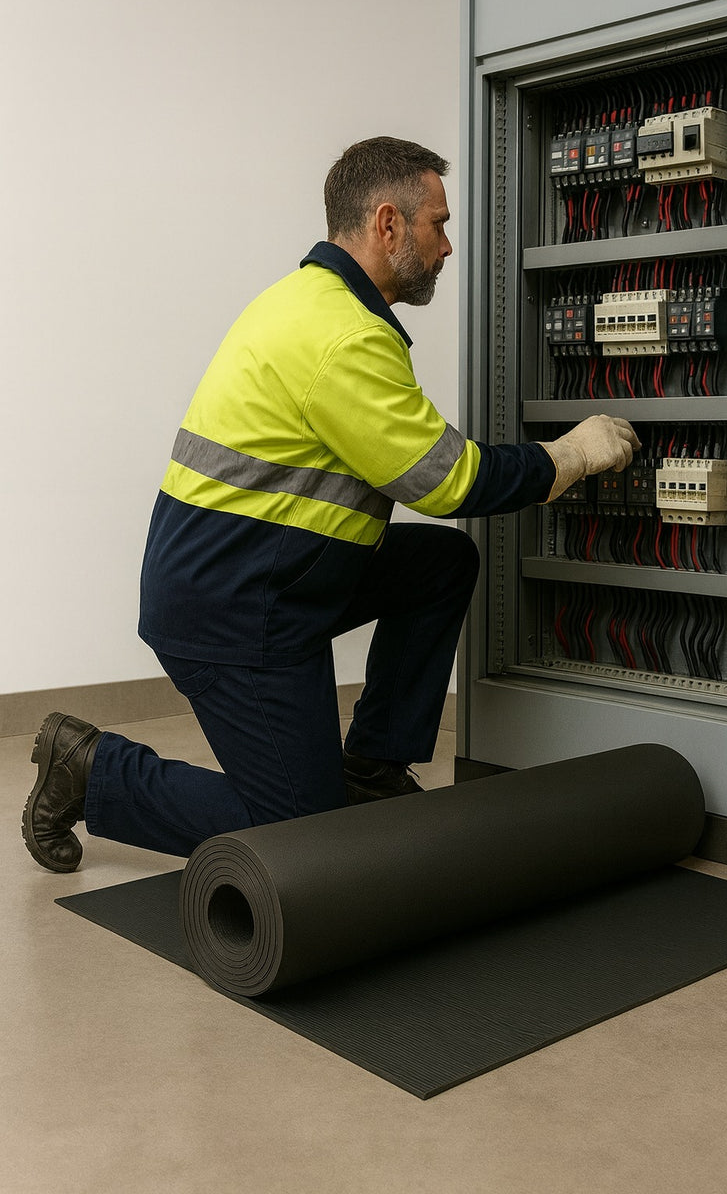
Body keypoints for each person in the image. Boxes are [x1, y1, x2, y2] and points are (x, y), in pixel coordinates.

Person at [22, 136, 640, 873]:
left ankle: (373, 766)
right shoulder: (341, 336)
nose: (448, 246)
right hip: (235, 609)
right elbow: (450, 482)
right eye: (437, 225)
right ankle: (91, 770)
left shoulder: (315, 301)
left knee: (440, 565)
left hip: (277, 579)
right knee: (304, 839)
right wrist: (569, 456)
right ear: (387, 224)